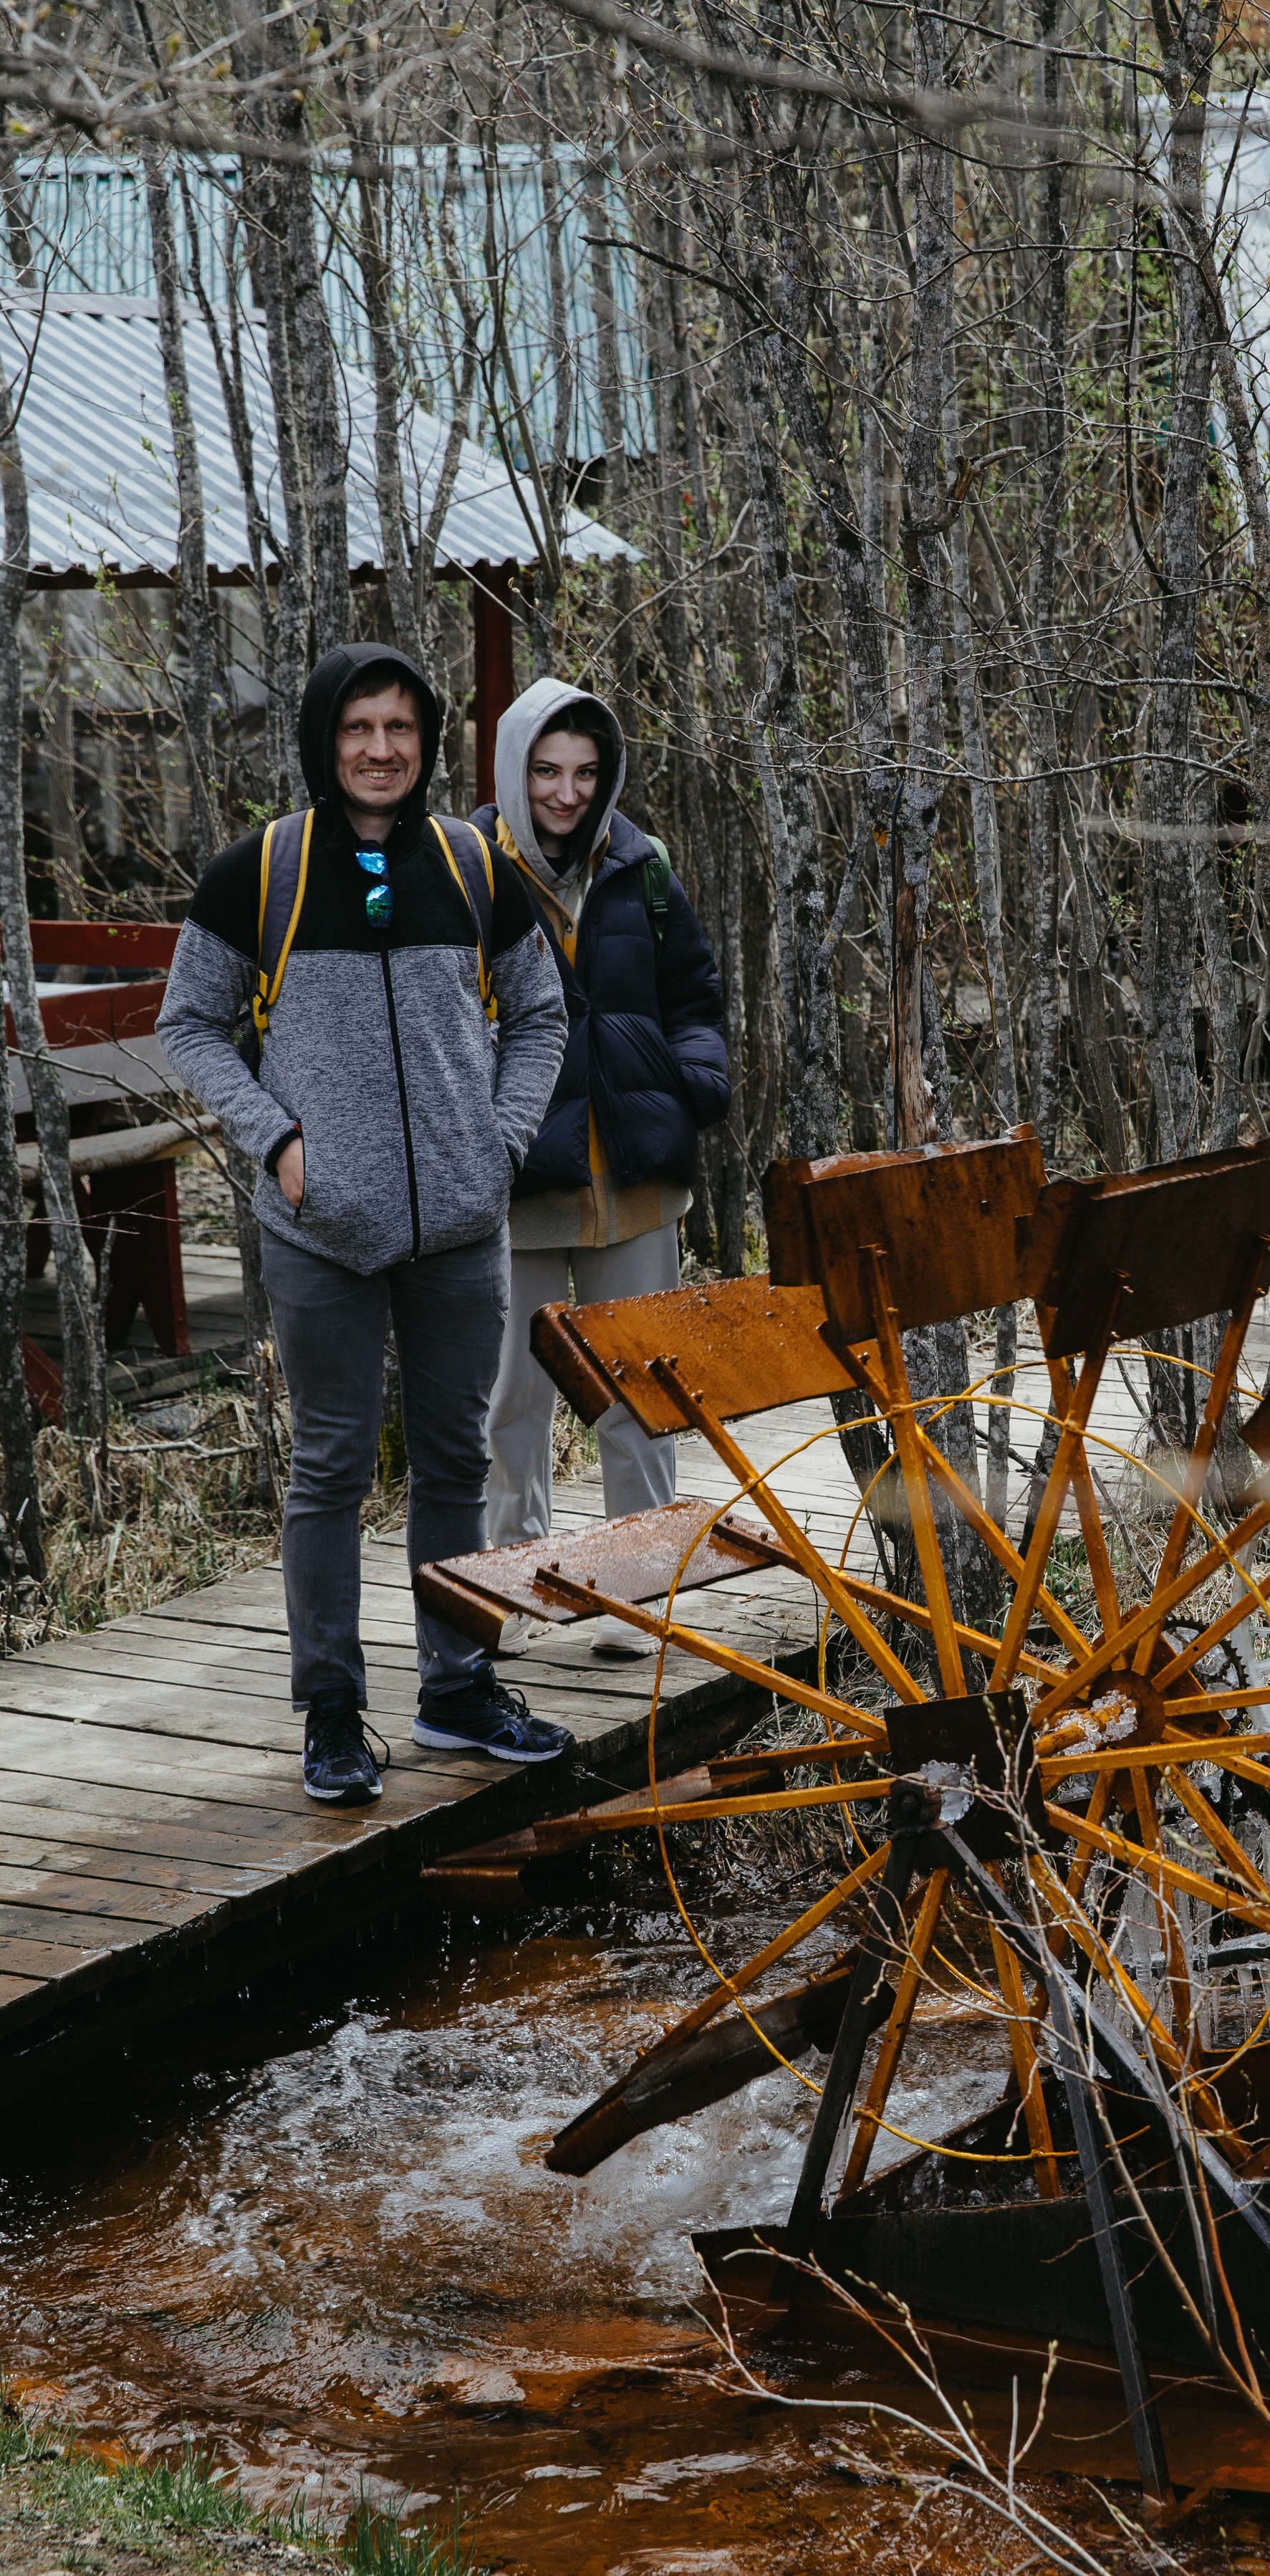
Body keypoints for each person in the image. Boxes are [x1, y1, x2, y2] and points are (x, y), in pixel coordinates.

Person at [157, 643, 575, 1803]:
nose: (380, 750)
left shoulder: (473, 865)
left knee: (455, 1457)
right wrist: (280, 1141)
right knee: (332, 1467)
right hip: (318, 1232)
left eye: (399, 729)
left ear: (426, 742)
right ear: (322, 743)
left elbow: (540, 1012)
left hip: (458, 1228)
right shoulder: (263, 873)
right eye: (357, 730)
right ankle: (332, 1710)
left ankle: (457, 1690)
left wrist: (497, 1143)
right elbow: (188, 1023)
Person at [473, 678, 728, 1653]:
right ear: (513, 769)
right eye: (546, 770)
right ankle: (515, 1589)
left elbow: (695, 995)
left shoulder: (642, 864)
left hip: (635, 1177)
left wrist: (691, 1081)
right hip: (518, 1178)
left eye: (585, 771)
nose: (567, 792)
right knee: (511, 1401)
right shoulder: (467, 867)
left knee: (638, 1393)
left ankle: (637, 1597)